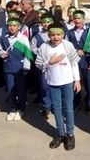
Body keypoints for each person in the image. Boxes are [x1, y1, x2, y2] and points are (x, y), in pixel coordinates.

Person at [35, 22, 81, 150]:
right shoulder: (44, 47)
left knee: (68, 108)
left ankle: (70, 134)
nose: (55, 37)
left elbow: (74, 64)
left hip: (67, 81)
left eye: (58, 34)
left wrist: (77, 80)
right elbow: (38, 64)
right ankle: (60, 133)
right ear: (48, 35)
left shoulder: (68, 45)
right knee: (57, 109)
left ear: (63, 34)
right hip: (53, 82)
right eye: (53, 35)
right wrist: (50, 62)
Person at [0, 18, 31, 121]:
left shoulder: (22, 38)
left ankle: (21, 109)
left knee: (20, 90)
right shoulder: (3, 37)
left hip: (20, 68)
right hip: (8, 67)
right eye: (10, 25)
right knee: (10, 89)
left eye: (14, 25)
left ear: (18, 27)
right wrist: (1, 53)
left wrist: (26, 67)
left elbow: (27, 54)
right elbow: (0, 48)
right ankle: (12, 109)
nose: (12, 27)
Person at [65, 10, 90, 114]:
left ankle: (89, 104)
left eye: (79, 18)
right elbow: (66, 47)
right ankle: (76, 103)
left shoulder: (89, 32)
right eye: (75, 18)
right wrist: (75, 51)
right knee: (75, 84)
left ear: (83, 19)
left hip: (87, 62)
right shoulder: (69, 33)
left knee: (89, 85)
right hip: (74, 63)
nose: (77, 20)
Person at [31, 14, 54, 117]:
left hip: (55, 65)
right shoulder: (37, 35)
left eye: (48, 22)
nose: (46, 24)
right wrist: (40, 52)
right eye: (44, 22)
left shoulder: (56, 34)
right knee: (44, 86)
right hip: (43, 64)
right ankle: (46, 106)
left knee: (54, 85)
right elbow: (33, 47)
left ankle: (55, 105)